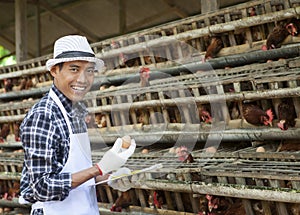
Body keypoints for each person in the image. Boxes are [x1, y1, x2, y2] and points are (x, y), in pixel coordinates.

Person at [19, 35, 136, 215]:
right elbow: (42, 188)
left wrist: (109, 177)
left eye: (89, 71)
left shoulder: (76, 112)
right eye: (74, 69)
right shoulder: (43, 116)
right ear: (54, 70)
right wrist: (99, 168)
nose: (83, 79)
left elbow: (74, 171)